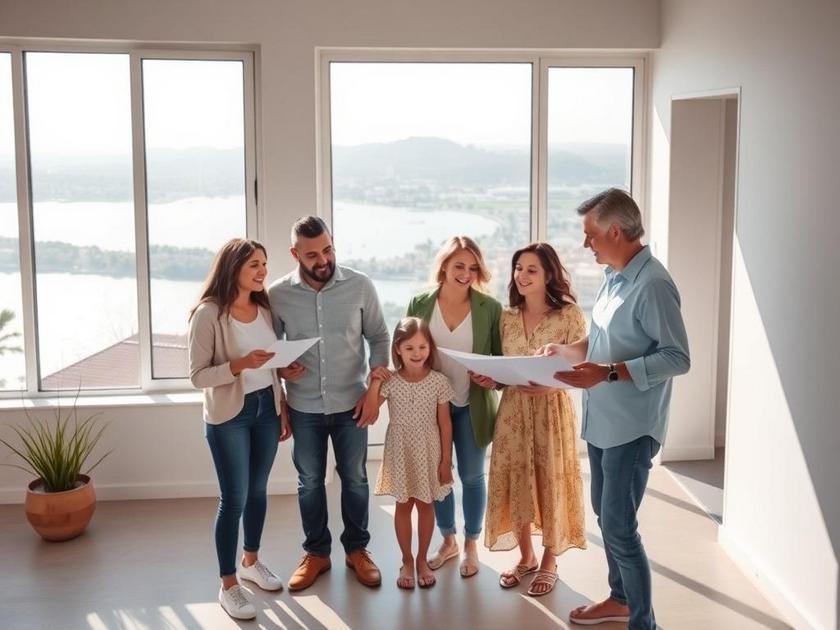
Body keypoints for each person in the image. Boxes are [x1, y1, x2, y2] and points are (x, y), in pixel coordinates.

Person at [544, 188, 690, 629]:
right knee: (606, 517)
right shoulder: (614, 276)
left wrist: (606, 374)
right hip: (602, 421)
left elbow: (677, 358)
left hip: (632, 426)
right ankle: (620, 598)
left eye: (590, 234)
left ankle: (643, 623)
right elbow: (603, 343)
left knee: (620, 525)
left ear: (614, 230)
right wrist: (566, 351)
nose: (586, 243)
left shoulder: (654, 285)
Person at [268, 216, 390, 591]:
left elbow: (381, 339)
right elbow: (271, 355)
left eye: (327, 249)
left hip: (353, 404)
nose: (322, 260)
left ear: (333, 242)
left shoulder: (360, 285)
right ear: (295, 254)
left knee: (354, 478)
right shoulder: (277, 295)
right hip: (303, 407)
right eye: (312, 255)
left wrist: (375, 393)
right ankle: (317, 553)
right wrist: (283, 381)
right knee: (309, 482)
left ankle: (357, 551)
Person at [188, 238, 291, 621]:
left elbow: (272, 363)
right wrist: (239, 364)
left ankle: (251, 561)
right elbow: (197, 376)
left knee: (259, 491)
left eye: (264, 263)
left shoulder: (265, 307)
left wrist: (283, 399)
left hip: (267, 406)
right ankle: (228, 584)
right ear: (233, 268)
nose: (263, 271)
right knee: (234, 498)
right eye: (254, 265)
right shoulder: (208, 314)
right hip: (229, 415)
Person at [482, 242, 588, 597]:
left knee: (549, 480)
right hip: (513, 412)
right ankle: (525, 556)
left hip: (551, 411)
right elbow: (506, 368)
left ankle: (549, 561)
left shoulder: (569, 315)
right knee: (517, 479)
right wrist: (490, 379)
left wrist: (551, 386)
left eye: (531, 270)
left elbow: (582, 367)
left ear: (549, 275)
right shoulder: (507, 317)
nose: (522, 276)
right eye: (518, 269)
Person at [404, 236, 501, 578]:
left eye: (473, 267)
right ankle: (449, 541)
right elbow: (406, 351)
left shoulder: (490, 308)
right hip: (433, 408)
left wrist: (494, 379)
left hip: (472, 404)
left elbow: (500, 361)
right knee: (439, 476)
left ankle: (471, 544)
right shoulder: (420, 303)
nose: (466, 273)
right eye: (459, 265)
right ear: (444, 265)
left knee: (472, 476)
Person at [366, 317, 454, 589]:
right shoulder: (391, 381)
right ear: (397, 350)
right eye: (410, 348)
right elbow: (369, 416)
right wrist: (374, 383)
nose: (417, 354)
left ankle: (422, 559)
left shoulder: (439, 381)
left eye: (422, 347)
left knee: (427, 505)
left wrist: (446, 462)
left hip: (430, 450)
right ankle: (406, 559)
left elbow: (445, 423)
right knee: (403, 506)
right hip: (400, 450)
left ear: (430, 348)